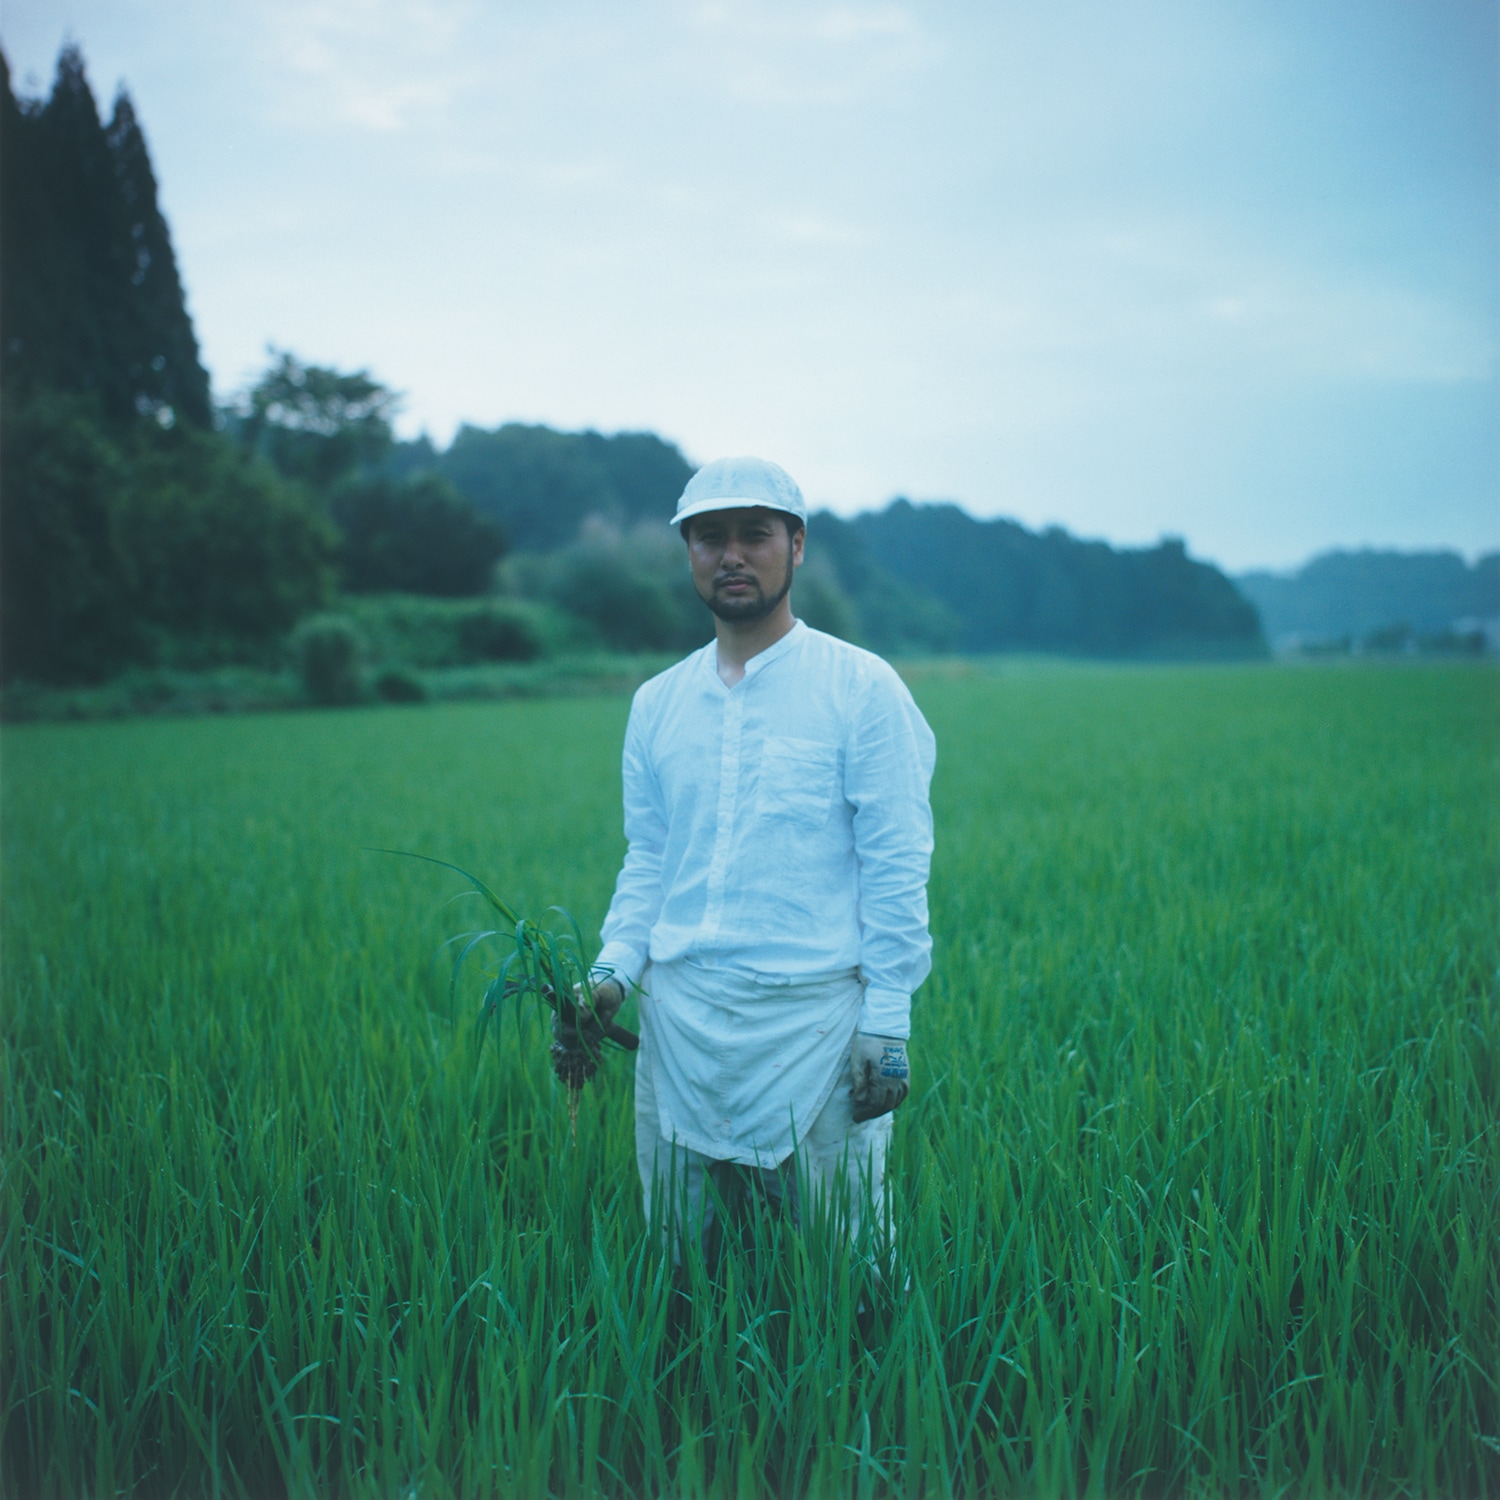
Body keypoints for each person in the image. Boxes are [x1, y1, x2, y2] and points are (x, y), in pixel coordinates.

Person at [557, 455, 936, 1257]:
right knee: (678, 1260)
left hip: (818, 1026)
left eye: (754, 535)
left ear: (795, 546)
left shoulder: (861, 689)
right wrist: (613, 971)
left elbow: (897, 862)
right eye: (709, 538)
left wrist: (888, 1020)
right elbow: (651, 859)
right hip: (679, 1026)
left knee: (849, 1267)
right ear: (689, 553)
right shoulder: (658, 703)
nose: (731, 555)